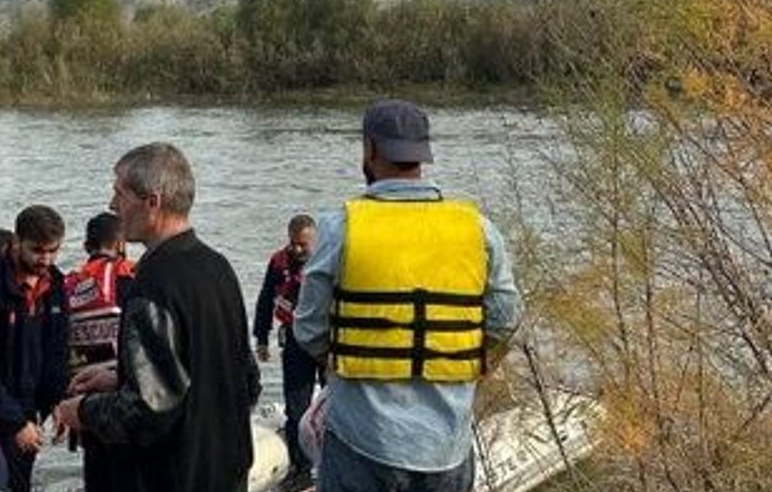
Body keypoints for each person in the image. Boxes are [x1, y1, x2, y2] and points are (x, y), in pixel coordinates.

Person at [294, 100, 523, 492]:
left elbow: (308, 328)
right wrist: (467, 362)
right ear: (423, 153)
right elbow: (506, 318)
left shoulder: (341, 228)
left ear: (369, 149)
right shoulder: (478, 229)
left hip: (361, 442)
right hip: (447, 446)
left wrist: (347, 363)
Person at [54, 142, 261, 492]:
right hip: (226, 468)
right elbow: (241, 377)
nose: (112, 205)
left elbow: (150, 411)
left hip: (173, 474)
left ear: (152, 202)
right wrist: (123, 375)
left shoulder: (154, 283)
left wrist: (84, 411)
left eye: (120, 194)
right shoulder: (217, 267)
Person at [0, 205, 70, 492]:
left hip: (29, 406)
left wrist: (58, 399)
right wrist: (15, 422)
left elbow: (57, 348)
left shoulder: (55, 284)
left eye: (53, 251)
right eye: (37, 251)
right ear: (17, 242)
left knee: (20, 482)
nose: (45, 259)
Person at [64, 212, 136, 491]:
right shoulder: (129, 274)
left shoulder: (69, 285)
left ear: (86, 246)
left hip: (83, 398)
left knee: (97, 476)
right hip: (124, 396)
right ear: (120, 244)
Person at [252, 214, 319, 488]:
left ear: (315, 241)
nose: (297, 249)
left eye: (303, 244)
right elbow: (266, 299)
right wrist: (261, 337)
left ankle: (334, 464)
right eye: (293, 243)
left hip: (326, 340)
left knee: (334, 406)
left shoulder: (327, 262)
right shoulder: (279, 263)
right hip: (295, 339)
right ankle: (300, 469)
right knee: (296, 406)